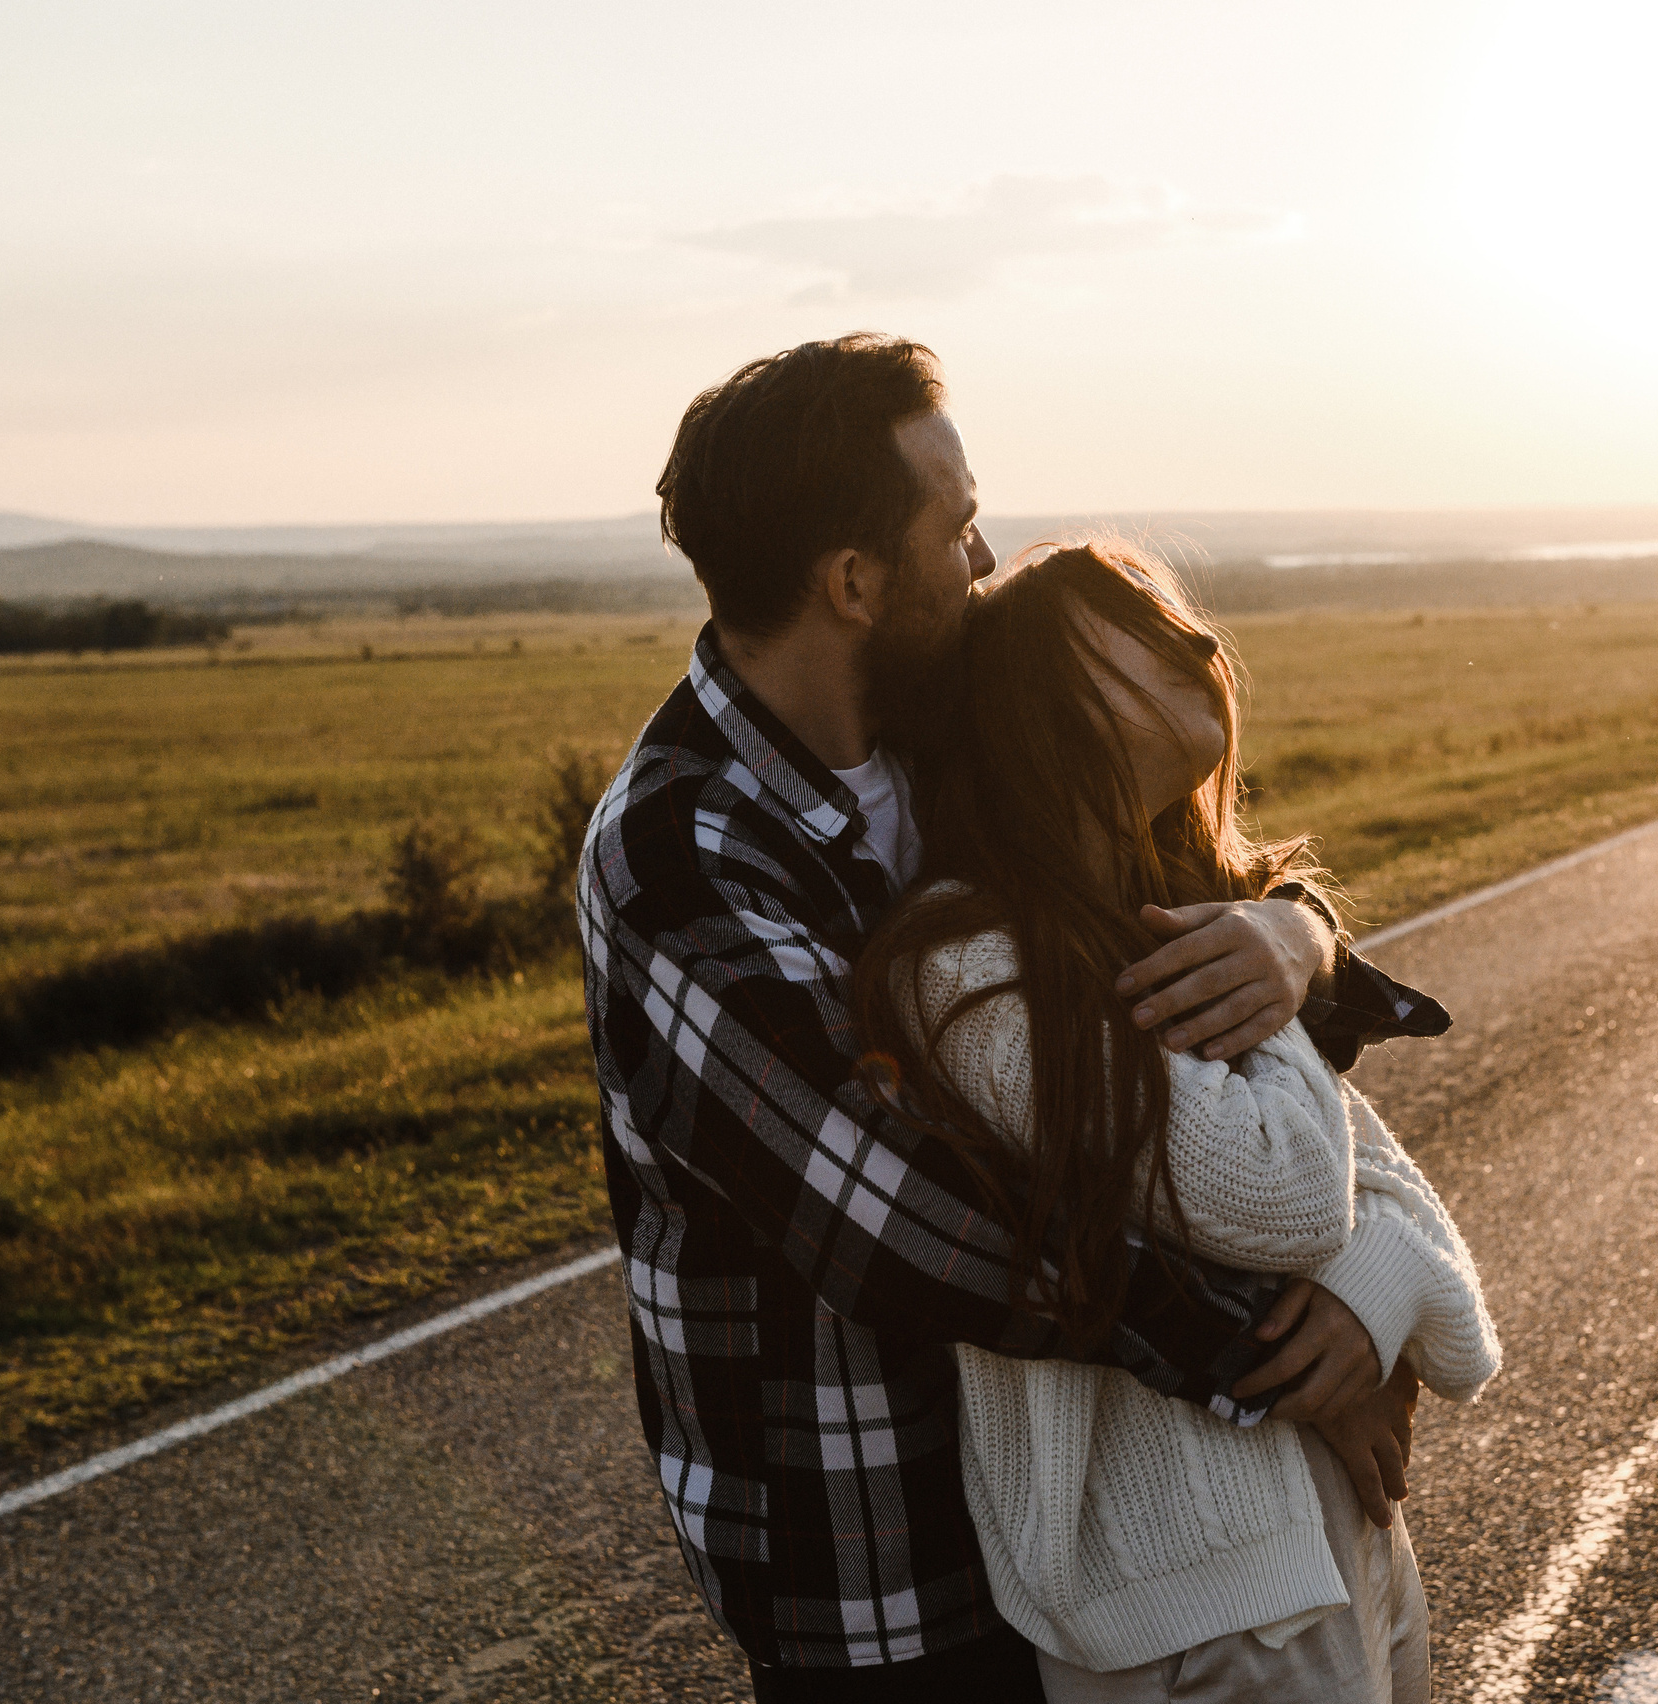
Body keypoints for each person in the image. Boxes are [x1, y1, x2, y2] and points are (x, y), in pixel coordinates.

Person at [577, 335, 1450, 1700]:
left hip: (1065, 1527)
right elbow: (920, 1227)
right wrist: (1287, 1362)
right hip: (878, 1567)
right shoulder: (681, 855)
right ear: (855, 582)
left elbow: (1172, 934)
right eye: (961, 525)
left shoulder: (945, 740)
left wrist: (1296, 939)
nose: (985, 562)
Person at [856, 542, 1498, 1702]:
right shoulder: (968, 970)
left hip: (1328, 1529)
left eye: (1175, 618)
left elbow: (1386, 1184)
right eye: (1139, 628)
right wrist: (1278, 953)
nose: (1198, 644)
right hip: (1189, 1604)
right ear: (1041, 710)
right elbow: (1288, 1189)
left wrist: (1381, 1284)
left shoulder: (1158, 912)